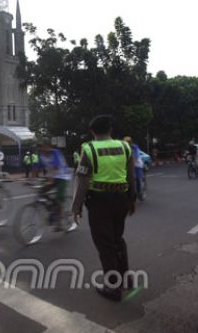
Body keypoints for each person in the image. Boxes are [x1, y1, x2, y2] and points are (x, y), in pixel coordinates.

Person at [71, 115, 136, 302]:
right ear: (110, 130)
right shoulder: (125, 147)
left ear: (92, 131)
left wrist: (77, 207)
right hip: (121, 200)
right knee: (117, 239)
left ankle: (113, 288)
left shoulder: (89, 149)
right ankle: (126, 279)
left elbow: (82, 181)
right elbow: (131, 177)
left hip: (99, 203)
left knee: (105, 244)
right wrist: (132, 199)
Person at [38, 137, 72, 231]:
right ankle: (52, 207)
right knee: (40, 191)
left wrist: (50, 180)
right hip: (51, 176)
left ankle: (59, 223)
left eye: (45, 146)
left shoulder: (55, 152)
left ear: (49, 147)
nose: (43, 149)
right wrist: (29, 180)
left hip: (62, 175)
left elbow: (56, 167)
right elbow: (36, 168)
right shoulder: (41, 155)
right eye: (41, 147)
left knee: (58, 199)